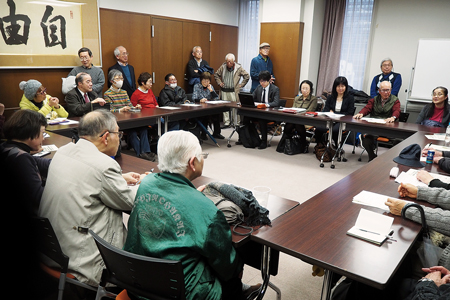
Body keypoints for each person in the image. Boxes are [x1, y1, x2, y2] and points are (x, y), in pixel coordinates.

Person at [123, 130, 260, 300]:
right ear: (193, 163)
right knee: (232, 275)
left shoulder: (147, 183)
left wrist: (189, 195)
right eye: (202, 155)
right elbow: (227, 265)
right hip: (181, 293)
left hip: (138, 284)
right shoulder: (207, 210)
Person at [39, 110, 146, 288]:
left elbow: (88, 177)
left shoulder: (64, 151)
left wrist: (119, 177)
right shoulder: (104, 166)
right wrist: (145, 183)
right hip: (83, 263)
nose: (119, 138)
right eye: (118, 133)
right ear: (106, 137)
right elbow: (131, 202)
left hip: (53, 251)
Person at [0, 109, 49, 215]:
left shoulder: (7, 148)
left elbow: (41, 163)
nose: (43, 138)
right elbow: (40, 198)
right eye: (43, 133)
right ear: (31, 132)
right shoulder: (21, 158)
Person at [104, 69, 157, 161]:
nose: (121, 80)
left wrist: (135, 107)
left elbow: (129, 106)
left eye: (122, 78)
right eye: (118, 78)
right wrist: (121, 109)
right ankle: (141, 153)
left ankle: (145, 152)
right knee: (131, 132)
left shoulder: (124, 92)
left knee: (143, 128)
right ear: (112, 81)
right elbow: (109, 110)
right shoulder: (107, 94)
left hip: (129, 118)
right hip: (117, 120)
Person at [354, 81, 401, 161]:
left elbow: (397, 111)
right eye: (384, 90)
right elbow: (367, 108)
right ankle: (372, 157)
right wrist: (361, 113)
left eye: (388, 90)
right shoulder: (374, 100)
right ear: (379, 91)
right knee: (365, 138)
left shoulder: (395, 100)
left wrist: (393, 117)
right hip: (375, 127)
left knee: (398, 140)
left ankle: (391, 160)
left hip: (388, 127)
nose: (386, 92)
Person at [277, 80, 318, 153]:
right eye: (303, 88)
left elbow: (310, 110)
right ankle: (287, 143)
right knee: (291, 123)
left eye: (306, 88)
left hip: (307, 120)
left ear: (310, 90)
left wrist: (299, 113)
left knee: (296, 123)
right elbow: (293, 109)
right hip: (295, 119)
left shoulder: (314, 99)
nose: (304, 90)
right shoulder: (297, 98)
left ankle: (301, 143)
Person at [315, 76, 355, 147]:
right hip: (330, 120)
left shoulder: (350, 98)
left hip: (342, 122)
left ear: (346, 87)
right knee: (318, 129)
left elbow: (350, 113)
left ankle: (337, 148)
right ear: (335, 87)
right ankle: (320, 146)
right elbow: (326, 110)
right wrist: (331, 113)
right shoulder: (331, 97)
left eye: (342, 86)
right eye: (338, 86)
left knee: (334, 130)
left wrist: (334, 113)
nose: (340, 88)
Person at [246, 70, 280, 149]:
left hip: (269, 114)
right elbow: (252, 97)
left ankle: (264, 141)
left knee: (262, 119)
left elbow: (276, 103)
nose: (262, 83)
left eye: (264, 81)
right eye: (260, 81)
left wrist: (265, 105)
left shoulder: (275, 89)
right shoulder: (258, 88)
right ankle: (248, 138)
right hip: (258, 112)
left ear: (269, 80)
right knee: (246, 117)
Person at [214, 53, 250, 127]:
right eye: (227, 61)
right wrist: (219, 83)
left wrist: (241, 85)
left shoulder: (238, 68)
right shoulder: (223, 66)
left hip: (234, 91)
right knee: (225, 108)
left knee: (235, 108)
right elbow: (216, 75)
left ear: (234, 61)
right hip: (224, 91)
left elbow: (247, 76)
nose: (228, 63)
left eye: (230, 62)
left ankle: (236, 123)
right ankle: (227, 123)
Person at [192, 72, 224, 140]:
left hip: (209, 106)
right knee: (205, 116)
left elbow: (216, 98)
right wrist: (200, 100)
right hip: (200, 107)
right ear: (201, 80)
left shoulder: (210, 86)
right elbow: (194, 98)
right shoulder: (197, 86)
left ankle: (217, 133)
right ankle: (203, 134)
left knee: (217, 114)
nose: (206, 82)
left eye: (207, 81)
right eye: (204, 80)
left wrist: (211, 90)